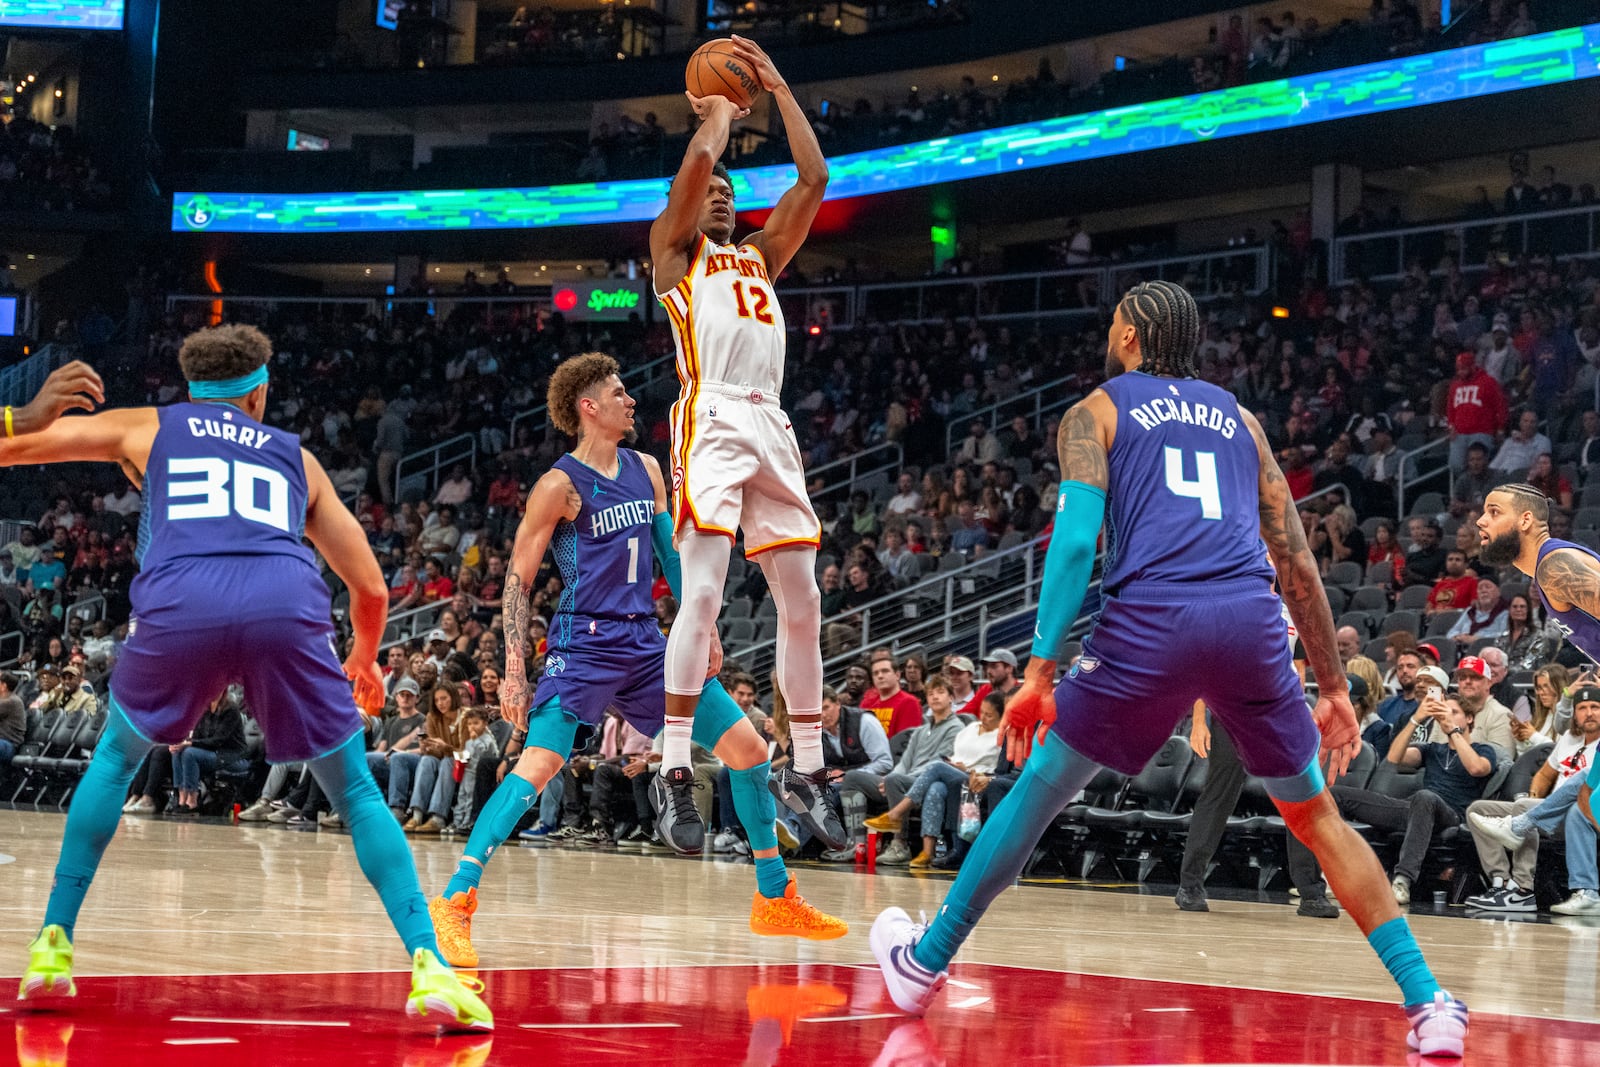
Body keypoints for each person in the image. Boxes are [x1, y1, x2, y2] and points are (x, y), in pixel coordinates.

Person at [869, 280, 1468, 1058]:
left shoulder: (1098, 410)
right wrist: (1330, 685)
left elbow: (1078, 544)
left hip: (1152, 617)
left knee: (1042, 790)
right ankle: (1428, 1001)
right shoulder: (1243, 421)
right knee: (1316, 816)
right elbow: (1294, 558)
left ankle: (926, 959)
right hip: (1249, 619)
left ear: (1127, 338)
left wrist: (1040, 670)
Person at [1, 335, 488, 1030]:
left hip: (182, 602)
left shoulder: (148, 426)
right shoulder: (298, 456)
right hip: (281, 602)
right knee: (352, 787)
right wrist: (367, 657)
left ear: (188, 389)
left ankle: (52, 947)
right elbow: (371, 587)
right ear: (259, 394)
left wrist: (25, 413)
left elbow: (10, 449)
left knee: (114, 758)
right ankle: (430, 965)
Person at [427, 354, 845, 969]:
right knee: (540, 762)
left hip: (647, 644)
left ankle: (773, 894)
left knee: (752, 752)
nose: (631, 401)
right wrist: (515, 667)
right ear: (587, 407)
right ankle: (456, 900)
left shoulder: (647, 469)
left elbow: (671, 555)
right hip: (583, 644)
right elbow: (520, 579)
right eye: (618, 393)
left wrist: (700, 627)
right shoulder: (559, 485)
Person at [649, 36, 839, 841]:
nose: (722, 196)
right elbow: (694, 173)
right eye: (711, 192)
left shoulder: (760, 256)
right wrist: (719, 117)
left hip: (773, 419)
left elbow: (815, 179)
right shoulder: (672, 256)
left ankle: (805, 766)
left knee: (806, 599)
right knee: (701, 592)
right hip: (714, 415)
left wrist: (780, 83)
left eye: (731, 191)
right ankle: (670, 767)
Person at [1476, 483, 1600, 835]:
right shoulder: (1549, 570)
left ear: (1526, 519)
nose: (1481, 522)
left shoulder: (1555, 565)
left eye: (1494, 511)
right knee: (1589, 799)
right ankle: (1520, 827)